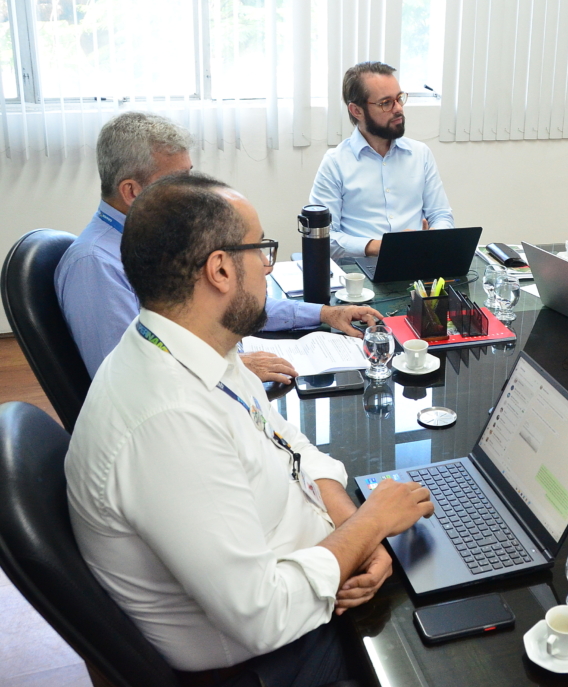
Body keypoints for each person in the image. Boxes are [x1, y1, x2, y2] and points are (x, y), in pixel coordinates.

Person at [66, 173, 435, 686]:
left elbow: (288, 445)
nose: (267, 265)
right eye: (260, 249)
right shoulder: (168, 421)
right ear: (220, 269)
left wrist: (354, 529)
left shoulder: (191, 343)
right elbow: (264, 616)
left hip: (308, 581)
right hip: (265, 661)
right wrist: (370, 526)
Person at [55, 111, 379, 381]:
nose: (193, 192)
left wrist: (324, 313)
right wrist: (233, 370)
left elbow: (229, 305)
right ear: (132, 192)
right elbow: (128, 380)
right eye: (177, 182)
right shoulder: (94, 265)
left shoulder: (159, 238)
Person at [309, 61, 454, 259]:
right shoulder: (335, 163)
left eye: (399, 98)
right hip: (360, 270)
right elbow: (322, 239)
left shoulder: (420, 154)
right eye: (386, 103)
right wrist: (381, 246)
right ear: (356, 111)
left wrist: (433, 238)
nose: (398, 109)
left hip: (416, 263)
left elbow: (441, 215)